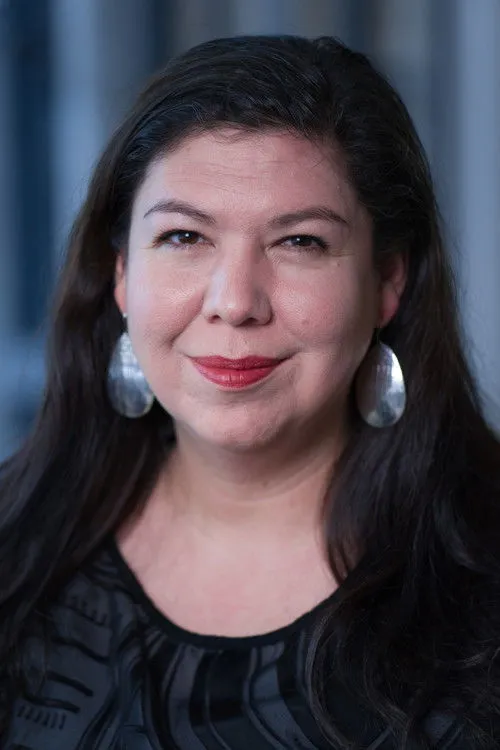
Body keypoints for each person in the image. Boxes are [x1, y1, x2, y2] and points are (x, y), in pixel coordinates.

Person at [0, 34, 499, 750]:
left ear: (386, 282)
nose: (235, 303)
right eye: (184, 237)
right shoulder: (17, 552)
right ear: (121, 275)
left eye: (300, 242)